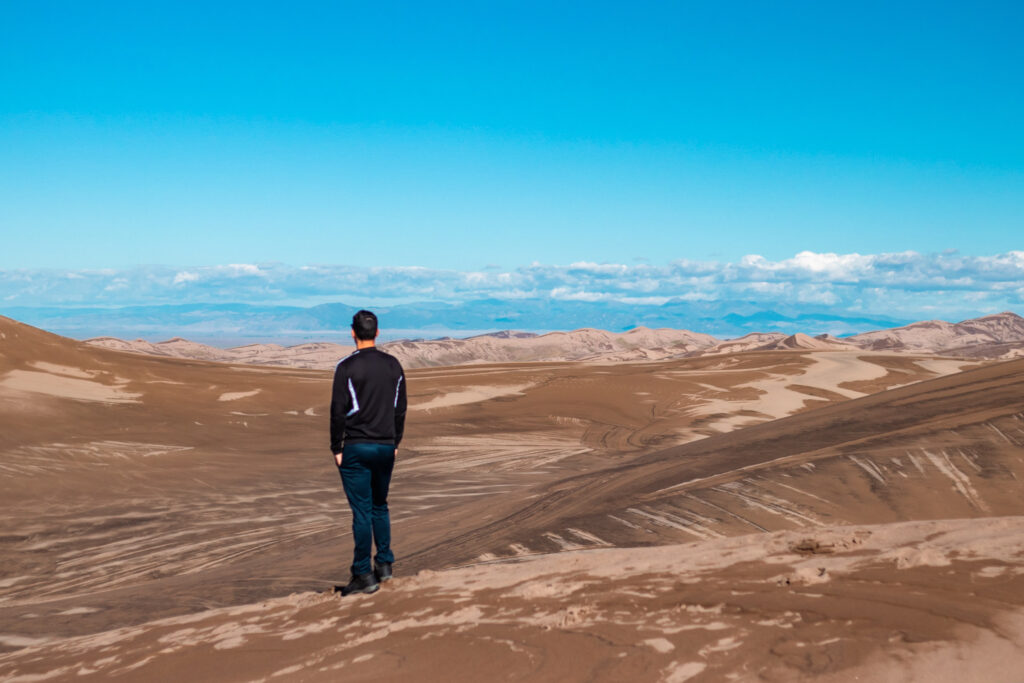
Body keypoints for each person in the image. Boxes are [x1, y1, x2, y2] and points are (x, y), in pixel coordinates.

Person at [330, 310, 407, 596]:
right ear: (377, 332)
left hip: (356, 447)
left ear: (353, 332)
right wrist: (395, 441)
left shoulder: (347, 367)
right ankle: (384, 565)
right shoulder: (393, 365)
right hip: (385, 446)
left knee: (362, 511)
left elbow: (338, 411)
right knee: (379, 505)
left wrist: (336, 447)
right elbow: (400, 408)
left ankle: (363, 573)